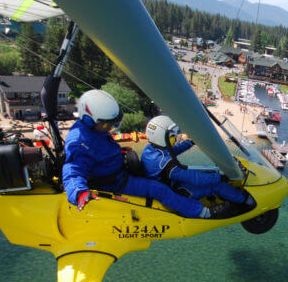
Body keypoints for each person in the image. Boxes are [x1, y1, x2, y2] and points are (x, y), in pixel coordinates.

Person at [61, 89, 210, 218]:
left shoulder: (95, 128)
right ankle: (199, 212)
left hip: (118, 171)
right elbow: (73, 170)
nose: (110, 127)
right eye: (107, 124)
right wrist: (79, 193)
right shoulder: (79, 143)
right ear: (88, 120)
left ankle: (184, 196)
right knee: (159, 190)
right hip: (114, 183)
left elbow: (99, 150)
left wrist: (119, 153)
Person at [141, 115, 255, 211]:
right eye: (172, 137)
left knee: (208, 171)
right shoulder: (165, 165)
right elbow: (194, 178)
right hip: (177, 191)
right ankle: (247, 201)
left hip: (173, 182)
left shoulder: (150, 150)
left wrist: (190, 142)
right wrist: (222, 178)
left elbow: (172, 151)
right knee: (217, 185)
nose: (175, 138)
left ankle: (230, 193)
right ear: (161, 138)